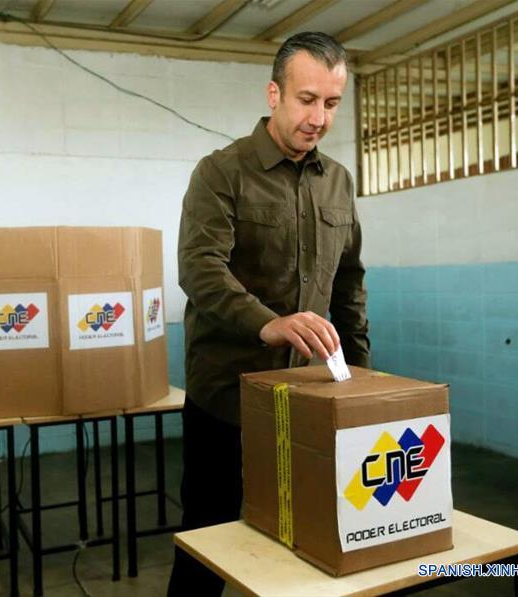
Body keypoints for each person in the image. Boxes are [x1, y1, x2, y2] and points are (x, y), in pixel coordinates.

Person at [167, 31, 370, 595]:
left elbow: (349, 281)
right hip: (225, 396)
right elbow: (199, 267)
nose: (319, 118)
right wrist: (268, 322)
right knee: (208, 541)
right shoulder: (222, 172)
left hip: (306, 396)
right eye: (307, 99)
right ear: (273, 94)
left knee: (305, 539)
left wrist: (360, 376)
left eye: (331, 103)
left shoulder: (338, 182)